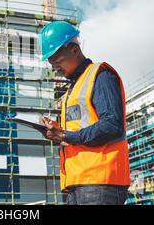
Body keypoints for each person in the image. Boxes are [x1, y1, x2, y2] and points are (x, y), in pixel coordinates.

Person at [38, 21, 131, 205]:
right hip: (77, 182)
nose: (55, 67)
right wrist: (58, 131)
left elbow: (112, 125)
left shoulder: (100, 75)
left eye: (57, 61)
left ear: (74, 50)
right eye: (51, 63)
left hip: (100, 180)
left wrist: (67, 136)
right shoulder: (72, 90)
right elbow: (81, 128)